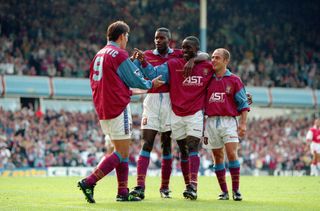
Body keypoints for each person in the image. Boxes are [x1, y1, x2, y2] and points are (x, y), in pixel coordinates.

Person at [77, 20, 164, 203]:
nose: (127, 40)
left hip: (103, 109)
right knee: (122, 152)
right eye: (127, 36)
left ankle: (122, 192)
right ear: (123, 36)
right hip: (117, 107)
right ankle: (89, 181)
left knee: (119, 150)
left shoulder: (99, 54)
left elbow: (110, 79)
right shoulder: (118, 54)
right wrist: (150, 84)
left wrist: (129, 65)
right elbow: (135, 79)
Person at [135, 36, 213, 200]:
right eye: (183, 48)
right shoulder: (173, 63)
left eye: (188, 48)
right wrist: (142, 62)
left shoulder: (207, 66)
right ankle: (140, 186)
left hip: (193, 112)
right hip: (173, 109)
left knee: (187, 148)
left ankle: (190, 186)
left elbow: (218, 74)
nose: (184, 51)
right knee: (152, 144)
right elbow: (153, 73)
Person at [130, 27, 191, 199]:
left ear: (169, 40)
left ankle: (164, 187)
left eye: (162, 38)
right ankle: (140, 186)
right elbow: (129, 70)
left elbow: (200, 55)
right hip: (152, 100)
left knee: (166, 145)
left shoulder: (178, 54)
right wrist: (132, 60)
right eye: (156, 37)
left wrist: (194, 60)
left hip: (171, 100)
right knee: (146, 143)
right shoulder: (147, 54)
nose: (158, 40)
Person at [203, 48, 250, 201]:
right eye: (212, 57)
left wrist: (243, 124)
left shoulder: (234, 80)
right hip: (210, 121)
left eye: (217, 58)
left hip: (228, 121)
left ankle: (236, 190)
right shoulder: (207, 78)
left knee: (231, 153)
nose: (213, 60)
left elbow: (243, 104)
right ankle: (224, 191)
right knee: (217, 156)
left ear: (225, 61)